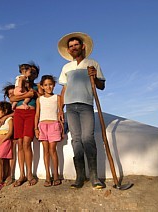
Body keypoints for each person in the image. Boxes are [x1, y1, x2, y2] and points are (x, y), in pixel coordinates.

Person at [58, 32, 106, 189]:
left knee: (88, 138)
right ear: (69, 50)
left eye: (75, 45)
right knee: (76, 140)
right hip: (70, 107)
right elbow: (64, 89)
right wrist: (60, 109)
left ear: (82, 46)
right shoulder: (66, 67)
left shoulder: (92, 64)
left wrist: (95, 77)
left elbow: (101, 86)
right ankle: (80, 177)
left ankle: (94, 177)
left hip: (86, 105)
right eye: (70, 46)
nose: (73, 48)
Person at [10, 62, 40, 187]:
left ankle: (29, 174)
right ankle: (21, 174)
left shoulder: (37, 87)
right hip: (18, 113)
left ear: (36, 74)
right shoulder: (20, 82)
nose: (31, 74)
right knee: (20, 144)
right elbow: (12, 98)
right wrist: (27, 94)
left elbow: (38, 96)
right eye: (29, 71)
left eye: (34, 72)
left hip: (30, 113)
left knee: (27, 143)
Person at [34, 75, 63, 187]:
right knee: (45, 151)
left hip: (54, 125)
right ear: (42, 86)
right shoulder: (39, 99)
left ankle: (56, 175)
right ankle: (47, 176)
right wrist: (36, 128)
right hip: (42, 125)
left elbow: (60, 113)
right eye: (45, 85)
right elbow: (37, 115)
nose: (48, 87)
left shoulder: (58, 97)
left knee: (53, 150)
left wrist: (62, 129)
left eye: (50, 84)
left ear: (54, 85)